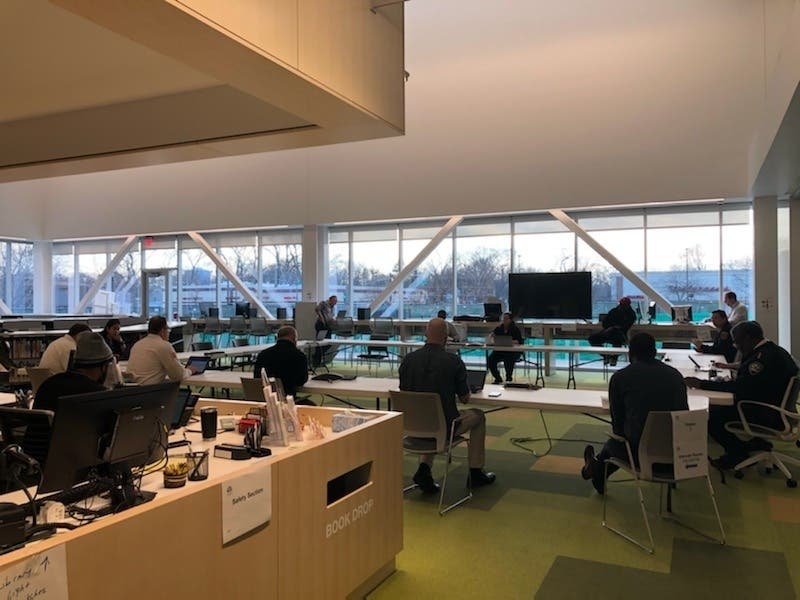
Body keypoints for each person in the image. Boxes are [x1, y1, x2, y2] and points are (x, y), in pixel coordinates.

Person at [581, 333, 688, 494]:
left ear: (631, 353)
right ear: (655, 351)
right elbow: (683, 414)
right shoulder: (675, 375)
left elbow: (617, 424)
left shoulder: (621, 377)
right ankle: (596, 469)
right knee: (619, 441)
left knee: (614, 443)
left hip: (641, 455)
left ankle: (596, 468)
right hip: (680, 453)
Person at [398, 318, 496, 493]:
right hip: (444, 428)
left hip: (413, 427)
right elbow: (465, 398)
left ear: (426, 334)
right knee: (478, 416)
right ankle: (475, 472)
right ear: (446, 337)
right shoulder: (453, 361)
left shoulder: (408, 360)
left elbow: (405, 391)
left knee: (430, 415)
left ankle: (424, 470)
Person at [685, 321, 799, 469]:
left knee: (712, 416)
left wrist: (702, 384)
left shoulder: (761, 359)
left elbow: (740, 388)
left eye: (737, 341)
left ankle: (736, 453)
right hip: (774, 406)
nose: (735, 345)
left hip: (766, 413)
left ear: (749, 338)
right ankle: (751, 443)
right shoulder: (771, 350)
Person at [127, 316, 199, 385]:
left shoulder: (137, 344)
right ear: (162, 331)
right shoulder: (164, 346)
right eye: (168, 330)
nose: (168, 333)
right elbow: (178, 376)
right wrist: (189, 371)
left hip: (133, 390)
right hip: (151, 391)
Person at [253, 325, 314, 405]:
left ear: (277, 338)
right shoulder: (299, 356)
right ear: (294, 339)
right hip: (287, 401)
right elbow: (301, 381)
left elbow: (257, 378)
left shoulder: (263, 354)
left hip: (265, 400)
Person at [588, 297, 636, 366]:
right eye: (621, 304)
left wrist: (613, 328)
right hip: (608, 332)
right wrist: (610, 328)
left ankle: (614, 358)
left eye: (624, 305)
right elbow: (605, 322)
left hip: (620, 335)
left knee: (617, 338)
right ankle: (605, 355)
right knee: (592, 338)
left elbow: (625, 327)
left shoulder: (631, 314)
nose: (621, 306)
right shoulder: (614, 311)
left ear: (628, 305)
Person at [487, 312, 523, 384]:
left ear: (510, 320)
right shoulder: (499, 328)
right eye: (503, 318)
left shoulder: (515, 329)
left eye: (506, 318)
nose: (504, 320)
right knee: (490, 359)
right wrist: (491, 338)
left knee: (508, 359)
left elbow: (519, 341)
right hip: (500, 351)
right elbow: (492, 335)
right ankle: (498, 378)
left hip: (512, 352)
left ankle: (508, 379)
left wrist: (510, 341)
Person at [313, 295, 338, 367]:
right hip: (321, 325)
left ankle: (318, 357)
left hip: (328, 325)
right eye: (334, 301)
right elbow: (317, 309)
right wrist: (321, 317)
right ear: (330, 300)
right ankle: (316, 361)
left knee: (328, 343)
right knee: (319, 343)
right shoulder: (324, 303)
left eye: (336, 301)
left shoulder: (332, 308)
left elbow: (330, 316)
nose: (335, 303)